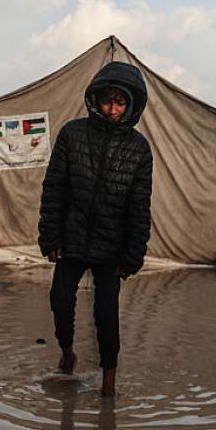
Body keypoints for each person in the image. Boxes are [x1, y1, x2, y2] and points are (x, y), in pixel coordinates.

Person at [38, 61, 153, 397]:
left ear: (131, 106)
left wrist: (133, 255)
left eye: (120, 103)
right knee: (60, 302)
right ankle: (67, 352)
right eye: (107, 101)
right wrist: (51, 237)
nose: (112, 109)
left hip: (111, 246)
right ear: (95, 100)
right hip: (72, 237)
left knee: (106, 316)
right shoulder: (72, 134)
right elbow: (54, 188)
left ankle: (109, 385)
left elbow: (139, 206)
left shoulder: (139, 149)